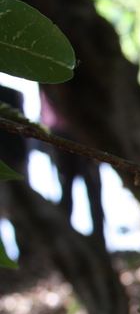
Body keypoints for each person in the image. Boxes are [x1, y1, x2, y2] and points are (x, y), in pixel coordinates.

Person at [39, 86, 106, 248]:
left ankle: (98, 240)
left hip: (78, 133)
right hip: (60, 135)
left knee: (91, 188)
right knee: (68, 189)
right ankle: (68, 240)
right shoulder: (44, 81)